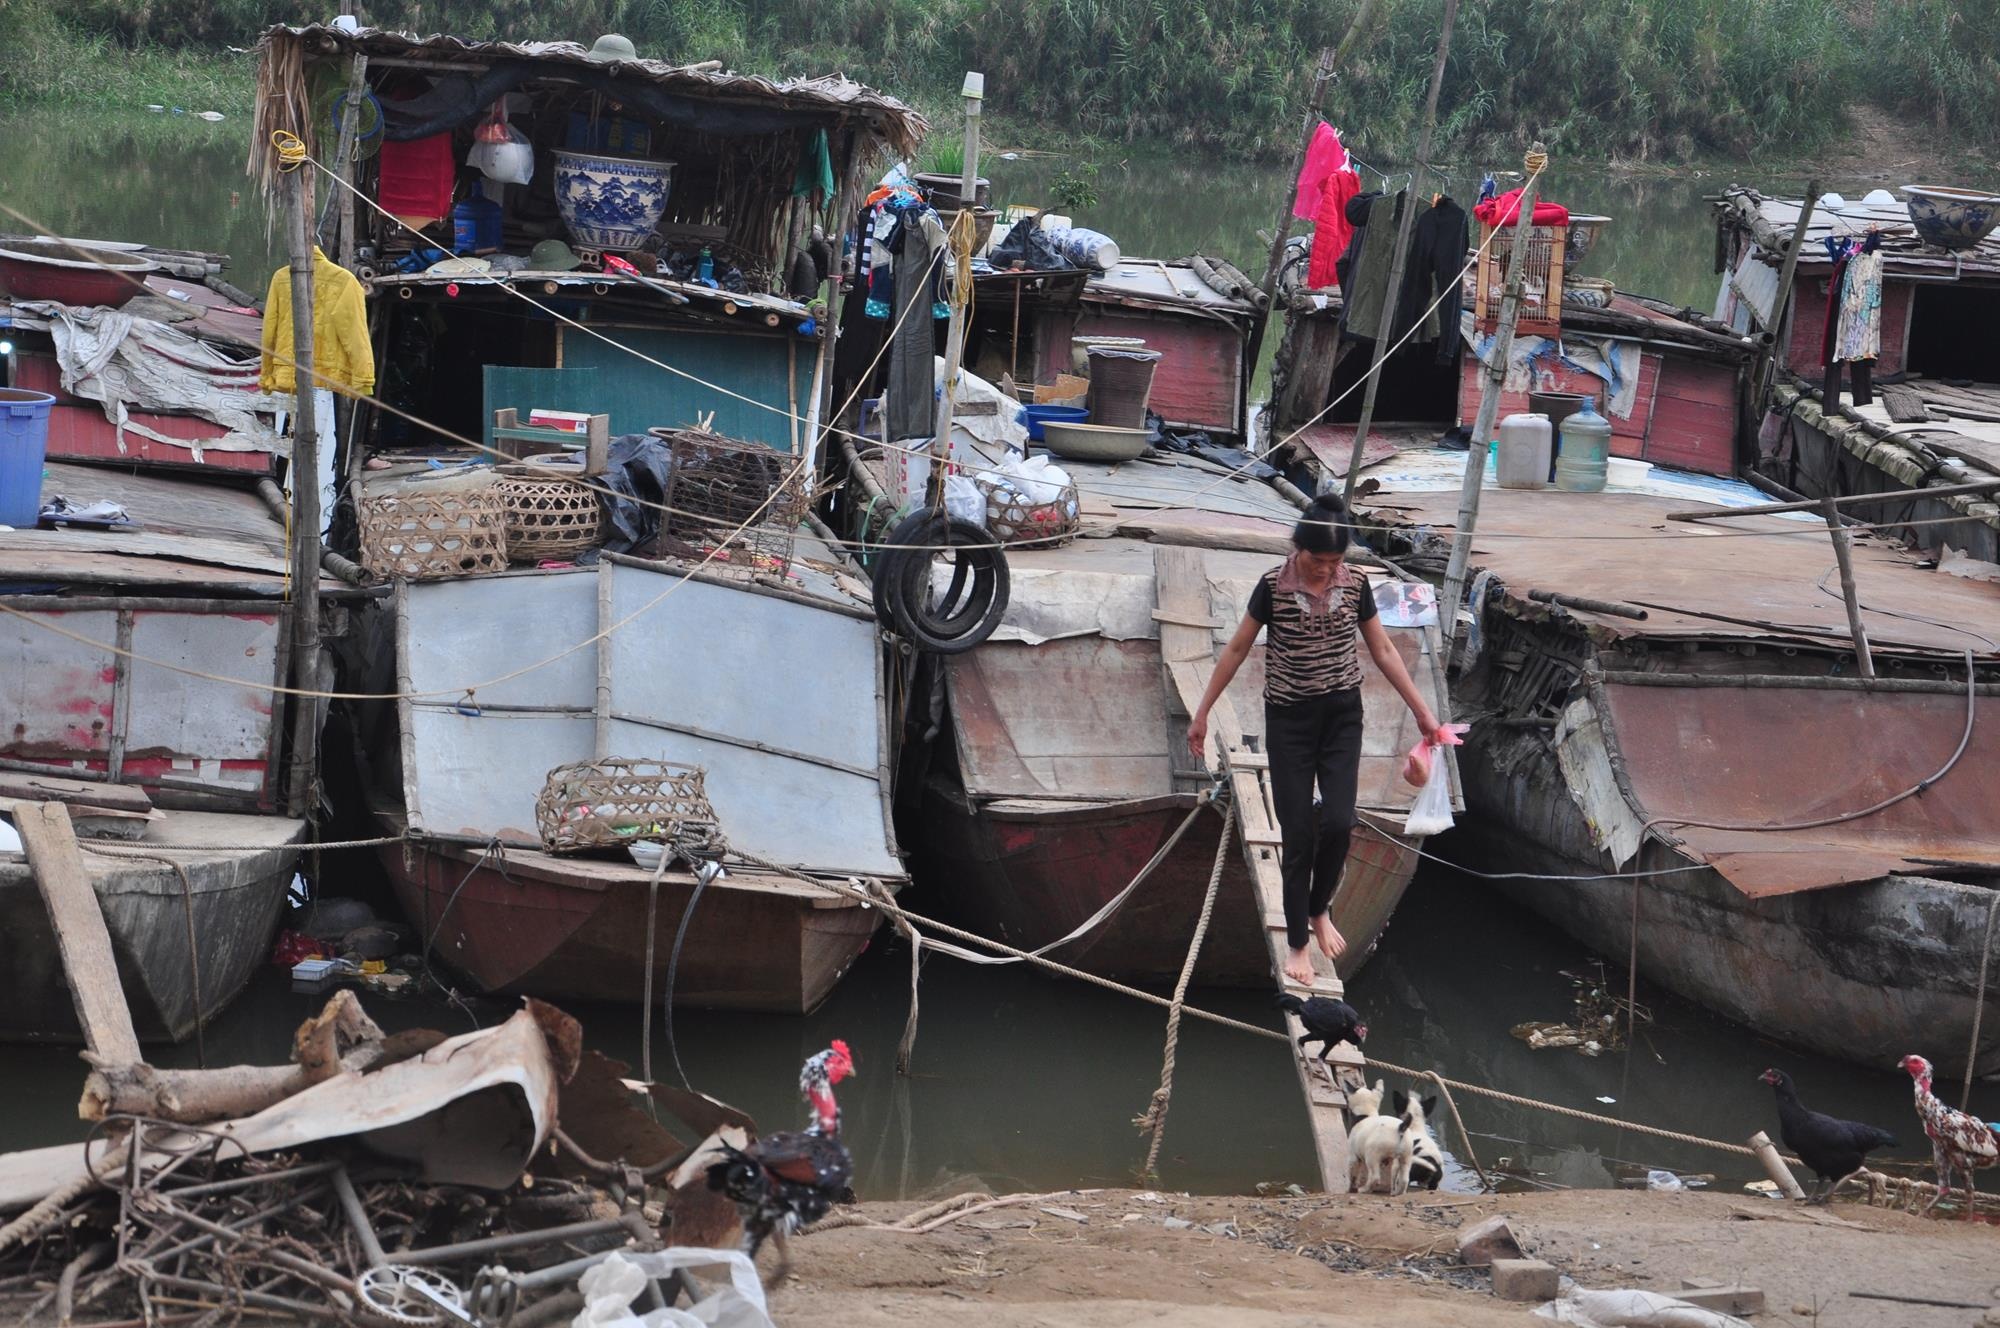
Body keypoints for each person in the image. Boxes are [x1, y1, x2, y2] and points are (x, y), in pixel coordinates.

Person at [1187, 493, 1440, 986]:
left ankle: (1319, 909)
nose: (1326, 570)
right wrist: (1203, 713)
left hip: (1342, 716)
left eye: (1335, 561)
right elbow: (1238, 647)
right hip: (1289, 721)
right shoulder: (1271, 587)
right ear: (1297, 549)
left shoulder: (1356, 583)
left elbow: (1383, 649)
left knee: (1341, 823)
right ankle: (1299, 941)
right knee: (1298, 832)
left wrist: (1424, 715)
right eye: (1317, 560)